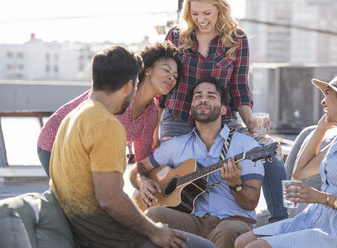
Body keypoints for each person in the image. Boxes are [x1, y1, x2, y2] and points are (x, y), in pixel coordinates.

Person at [49, 45, 215, 248]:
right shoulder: (108, 125)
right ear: (130, 85)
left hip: (79, 226)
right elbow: (110, 198)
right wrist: (155, 231)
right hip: (101, 234)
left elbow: (135, 169)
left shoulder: (73, 116)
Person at [157, 0, 288, 223]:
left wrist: (251, 127)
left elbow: (239, 87)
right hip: (179, 118)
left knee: (271, 152)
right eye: (195, 13)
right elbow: (163, 85)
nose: (201, 19)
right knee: (173, 176)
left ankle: (280, 223)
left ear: (220, 9)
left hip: (222, 120)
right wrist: (156, 129)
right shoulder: (176, 36)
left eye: (207, 13)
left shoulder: (237, 39)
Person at [130, 76, 266, 248]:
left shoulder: (247, 146)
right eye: (198, 96)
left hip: (231, 221)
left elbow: (251, 202)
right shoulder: (176, 145)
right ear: (191, 108)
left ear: (223, 109)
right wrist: (142, 181)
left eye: (211, 96)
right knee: (154, 214)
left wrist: (236, 184)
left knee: (229, 230)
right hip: (191, 220)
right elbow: (139, 167)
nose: (203, 99)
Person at [234, 71, 337, 248]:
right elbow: (300, 171)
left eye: (328, 93)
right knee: (242, 241)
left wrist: (322, 198)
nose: (322, 101)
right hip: (314, 219)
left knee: (254, 247)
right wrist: (321, 128)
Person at [37, 41, 183, 177]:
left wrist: (149, 180)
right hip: (55, 141)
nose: (171, 77)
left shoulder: (151, 113)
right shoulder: (120, 89)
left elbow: (142, 160)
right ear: (148, 70)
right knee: (73, 200)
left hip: (88, 155)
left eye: (175, 76)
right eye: (166, 70)